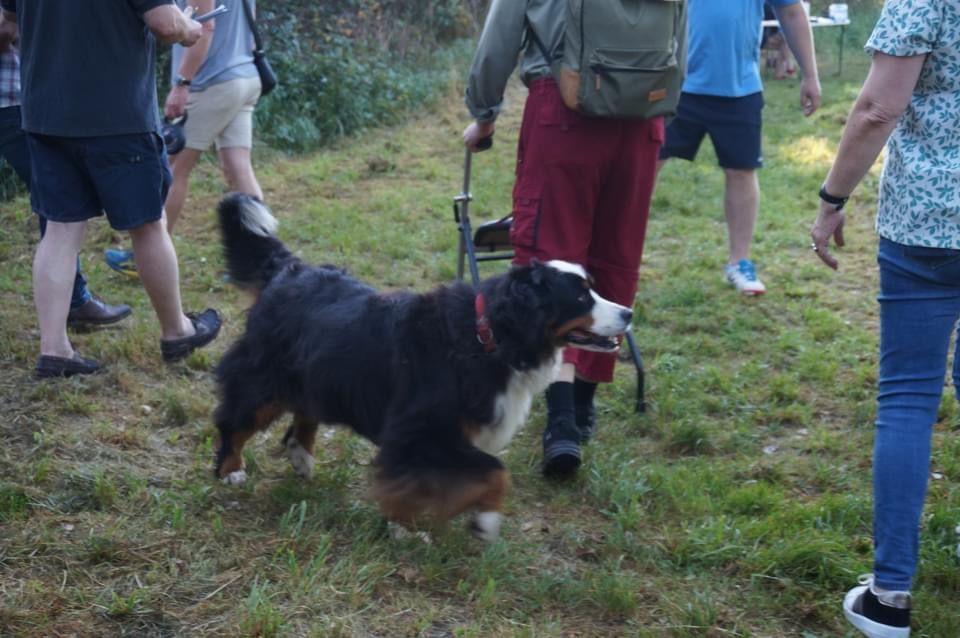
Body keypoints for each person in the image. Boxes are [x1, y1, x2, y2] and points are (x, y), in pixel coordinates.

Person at [463, 0, 683, 478]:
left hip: (563, 110)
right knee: (617, 258)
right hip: (642, 119)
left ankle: (560, 421)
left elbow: (500, 37)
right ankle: (584, 405)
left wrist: (484, 114)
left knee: (552, 258)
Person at [809, 1, 959, 635]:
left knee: (908, 400)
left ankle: (889, 598)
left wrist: (831, 200)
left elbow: (876, 108)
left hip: (927, 226)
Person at [1, 0, 222, 378]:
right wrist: (190, 27)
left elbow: (5, 26)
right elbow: (166, 24)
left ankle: (55, 350)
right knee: (148, 225)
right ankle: (177, 331)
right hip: (117, 115)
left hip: (44, 114)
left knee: (59, 228)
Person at [658, 0, 821, 296]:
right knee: (644, 166)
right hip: (676, 85)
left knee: (742, 172)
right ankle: (617, 255)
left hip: (739, 90)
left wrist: (810, 75)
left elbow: (792, 12)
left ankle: (739, 262)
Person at [104, 0, 264, 279]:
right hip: (245, 75)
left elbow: (206, 24)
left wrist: (182, 83)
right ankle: (260, 260)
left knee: (173, 168)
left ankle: (145, 258)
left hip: (211, 82)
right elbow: (250, 17)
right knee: (238, 167)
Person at [0, 24, 131, 328]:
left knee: (58, 202)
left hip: (26, 100)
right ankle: (74, 303)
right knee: (59, 205)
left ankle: (74, 301)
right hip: (13, 103)